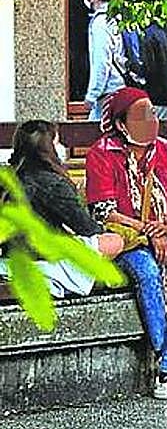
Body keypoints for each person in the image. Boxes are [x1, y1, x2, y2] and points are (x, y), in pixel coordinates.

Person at [85, 87, 167, 399]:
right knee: (148, 273)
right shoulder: (101, 153)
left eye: (152, 112)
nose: (151, 120)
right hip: (129, 242)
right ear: (121, 124)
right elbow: (103, 211)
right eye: (141, 115)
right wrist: (149, 232)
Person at [4, 121, 124, 297]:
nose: (62, 147)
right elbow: (87, 229)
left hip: (13, 253)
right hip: (42, 257)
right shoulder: (53, 183)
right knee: (114, 241)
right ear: (47, 147)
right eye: (58, 142)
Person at [82, 0, 124, 121]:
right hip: (122, 89)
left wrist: (91, 96)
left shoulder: (100, 24)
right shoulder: (117, 17)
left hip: (108, 94)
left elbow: (101, 62)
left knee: (93, 137)